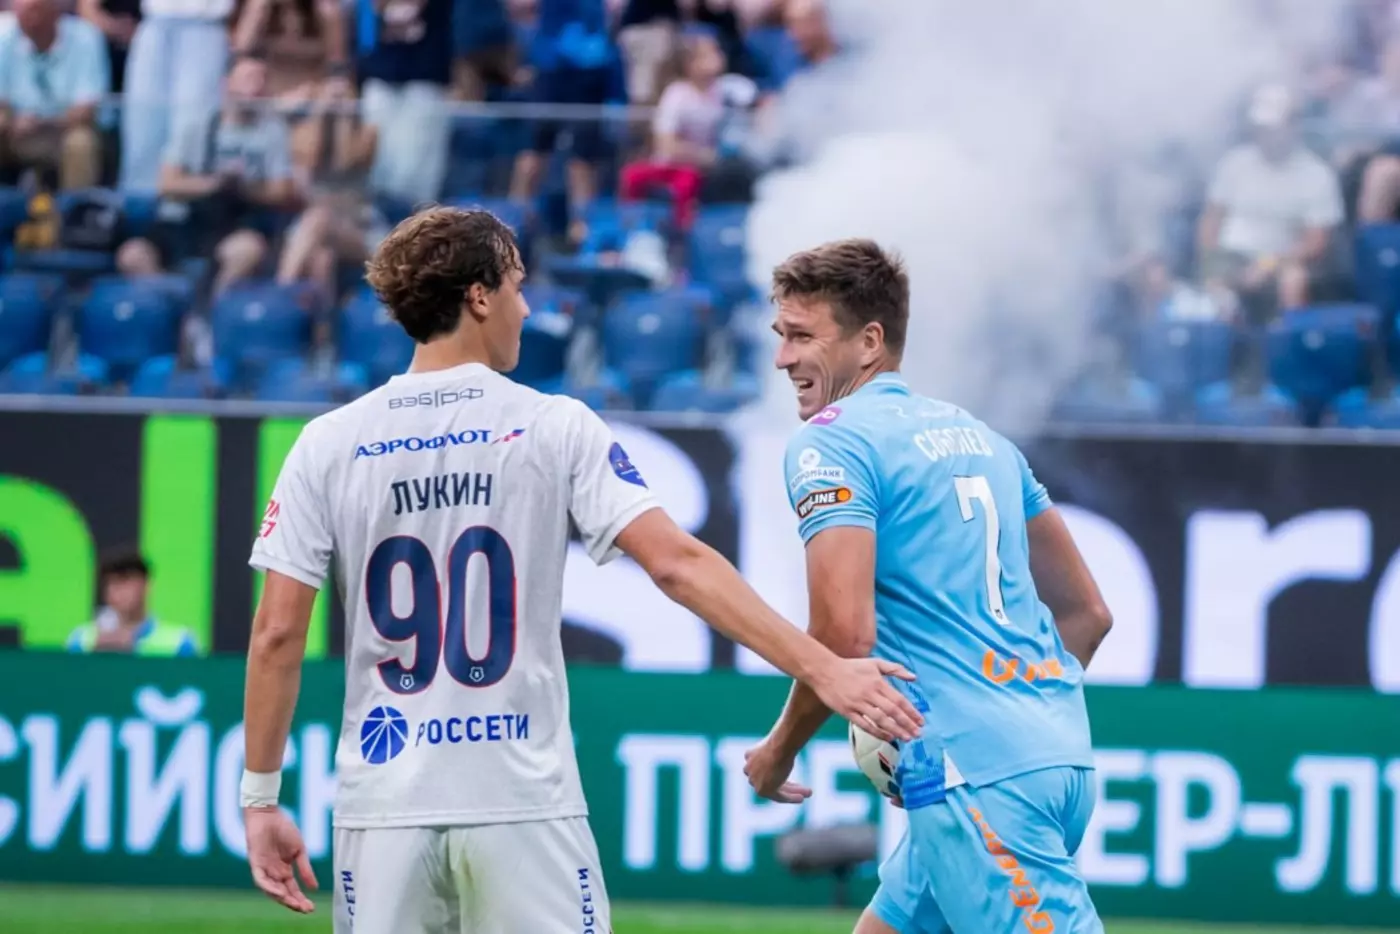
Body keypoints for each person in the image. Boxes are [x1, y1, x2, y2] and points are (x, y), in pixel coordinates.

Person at [239, 207, 924, 932]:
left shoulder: (327, 443)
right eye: (517, 287)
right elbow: (677, 564)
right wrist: (823, 668)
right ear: (479, 297)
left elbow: (276, 634)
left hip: (381, 810)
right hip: (519, 800)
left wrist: (259, 799)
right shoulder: (551, 424)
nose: (527, 309)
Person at [741, 239, 1114, 934]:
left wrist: (777, 752)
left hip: (974, 773)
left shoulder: (834, 441)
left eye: (801, 336)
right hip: (1052, 756)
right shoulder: (984, 440)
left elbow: (843, 637)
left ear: (869, 341)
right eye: (780, 335)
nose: (782, 358)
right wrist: (1016, 713)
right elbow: (1089, 614)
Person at [66, 549, 200, 656]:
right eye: (111, 583)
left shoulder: (179, 642)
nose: (118, 591)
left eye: (125, 580)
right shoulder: (81, 640)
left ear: (147, 585)